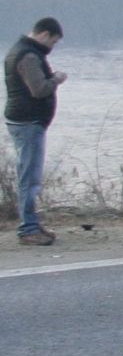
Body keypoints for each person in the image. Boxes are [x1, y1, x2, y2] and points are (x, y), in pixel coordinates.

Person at [5, 18, 67, 247]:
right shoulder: (29, 56)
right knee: (29, 179)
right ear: (44, 34)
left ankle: (30, 223)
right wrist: (56, 79)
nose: (52, 46)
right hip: (28, 122)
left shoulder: (20, 51)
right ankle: (28, 229)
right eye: (53, 40)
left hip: (24, 120)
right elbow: (39, 90)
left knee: (28, 176)